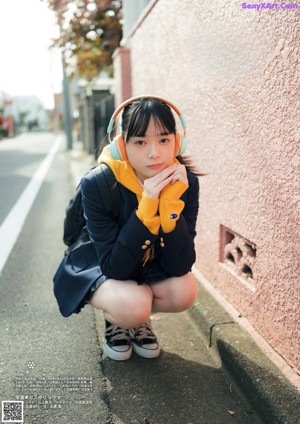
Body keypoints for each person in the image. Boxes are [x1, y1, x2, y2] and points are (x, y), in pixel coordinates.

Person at [80, 95, 200, 361]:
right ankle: (120, 317)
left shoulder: (184, 181)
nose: (154, 152)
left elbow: (181, 264)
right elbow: (113, 266)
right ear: (122, 147)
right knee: (132, 305)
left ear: (177, 142)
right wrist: (147, 205)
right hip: (100, 263)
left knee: (185, 291)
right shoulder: (97, 183)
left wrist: (169, 205)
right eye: (140, 142)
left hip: (144, 264)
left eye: (164, 140)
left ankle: (136, 311)